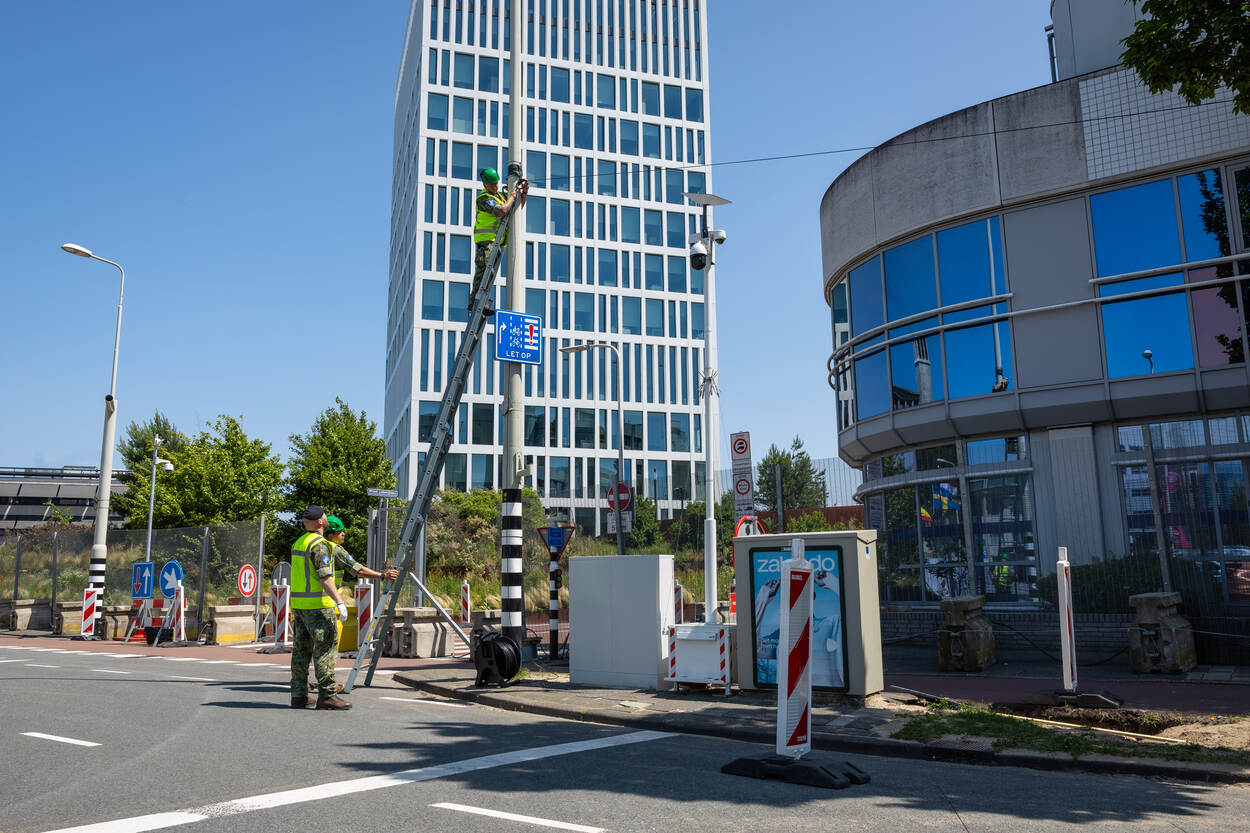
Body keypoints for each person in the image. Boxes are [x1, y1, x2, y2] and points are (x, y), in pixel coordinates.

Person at [289, 505, 351, 710]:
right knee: (325, 652)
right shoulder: (320, 544)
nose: (326, 517)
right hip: (319, 606)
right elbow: (325, 577)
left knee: (300, 652)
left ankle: (299, 695)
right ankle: (327, 695)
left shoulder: (300, 542)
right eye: (324, 516)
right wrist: (339, 602)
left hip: (299, 606)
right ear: (319, 522)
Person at [470, 167, 528, 316]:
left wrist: (523, 192)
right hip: (486, 241)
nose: (496, 186)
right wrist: (512, 197)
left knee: (489, 274)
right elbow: (502, 210)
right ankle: (475, 302)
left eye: (496, 183)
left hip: (496, 242)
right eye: (492, 184)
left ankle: (482, 302)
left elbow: (515, 208)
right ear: (485, 185)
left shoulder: (499, 197)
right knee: (483, 272)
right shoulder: (484, 199)